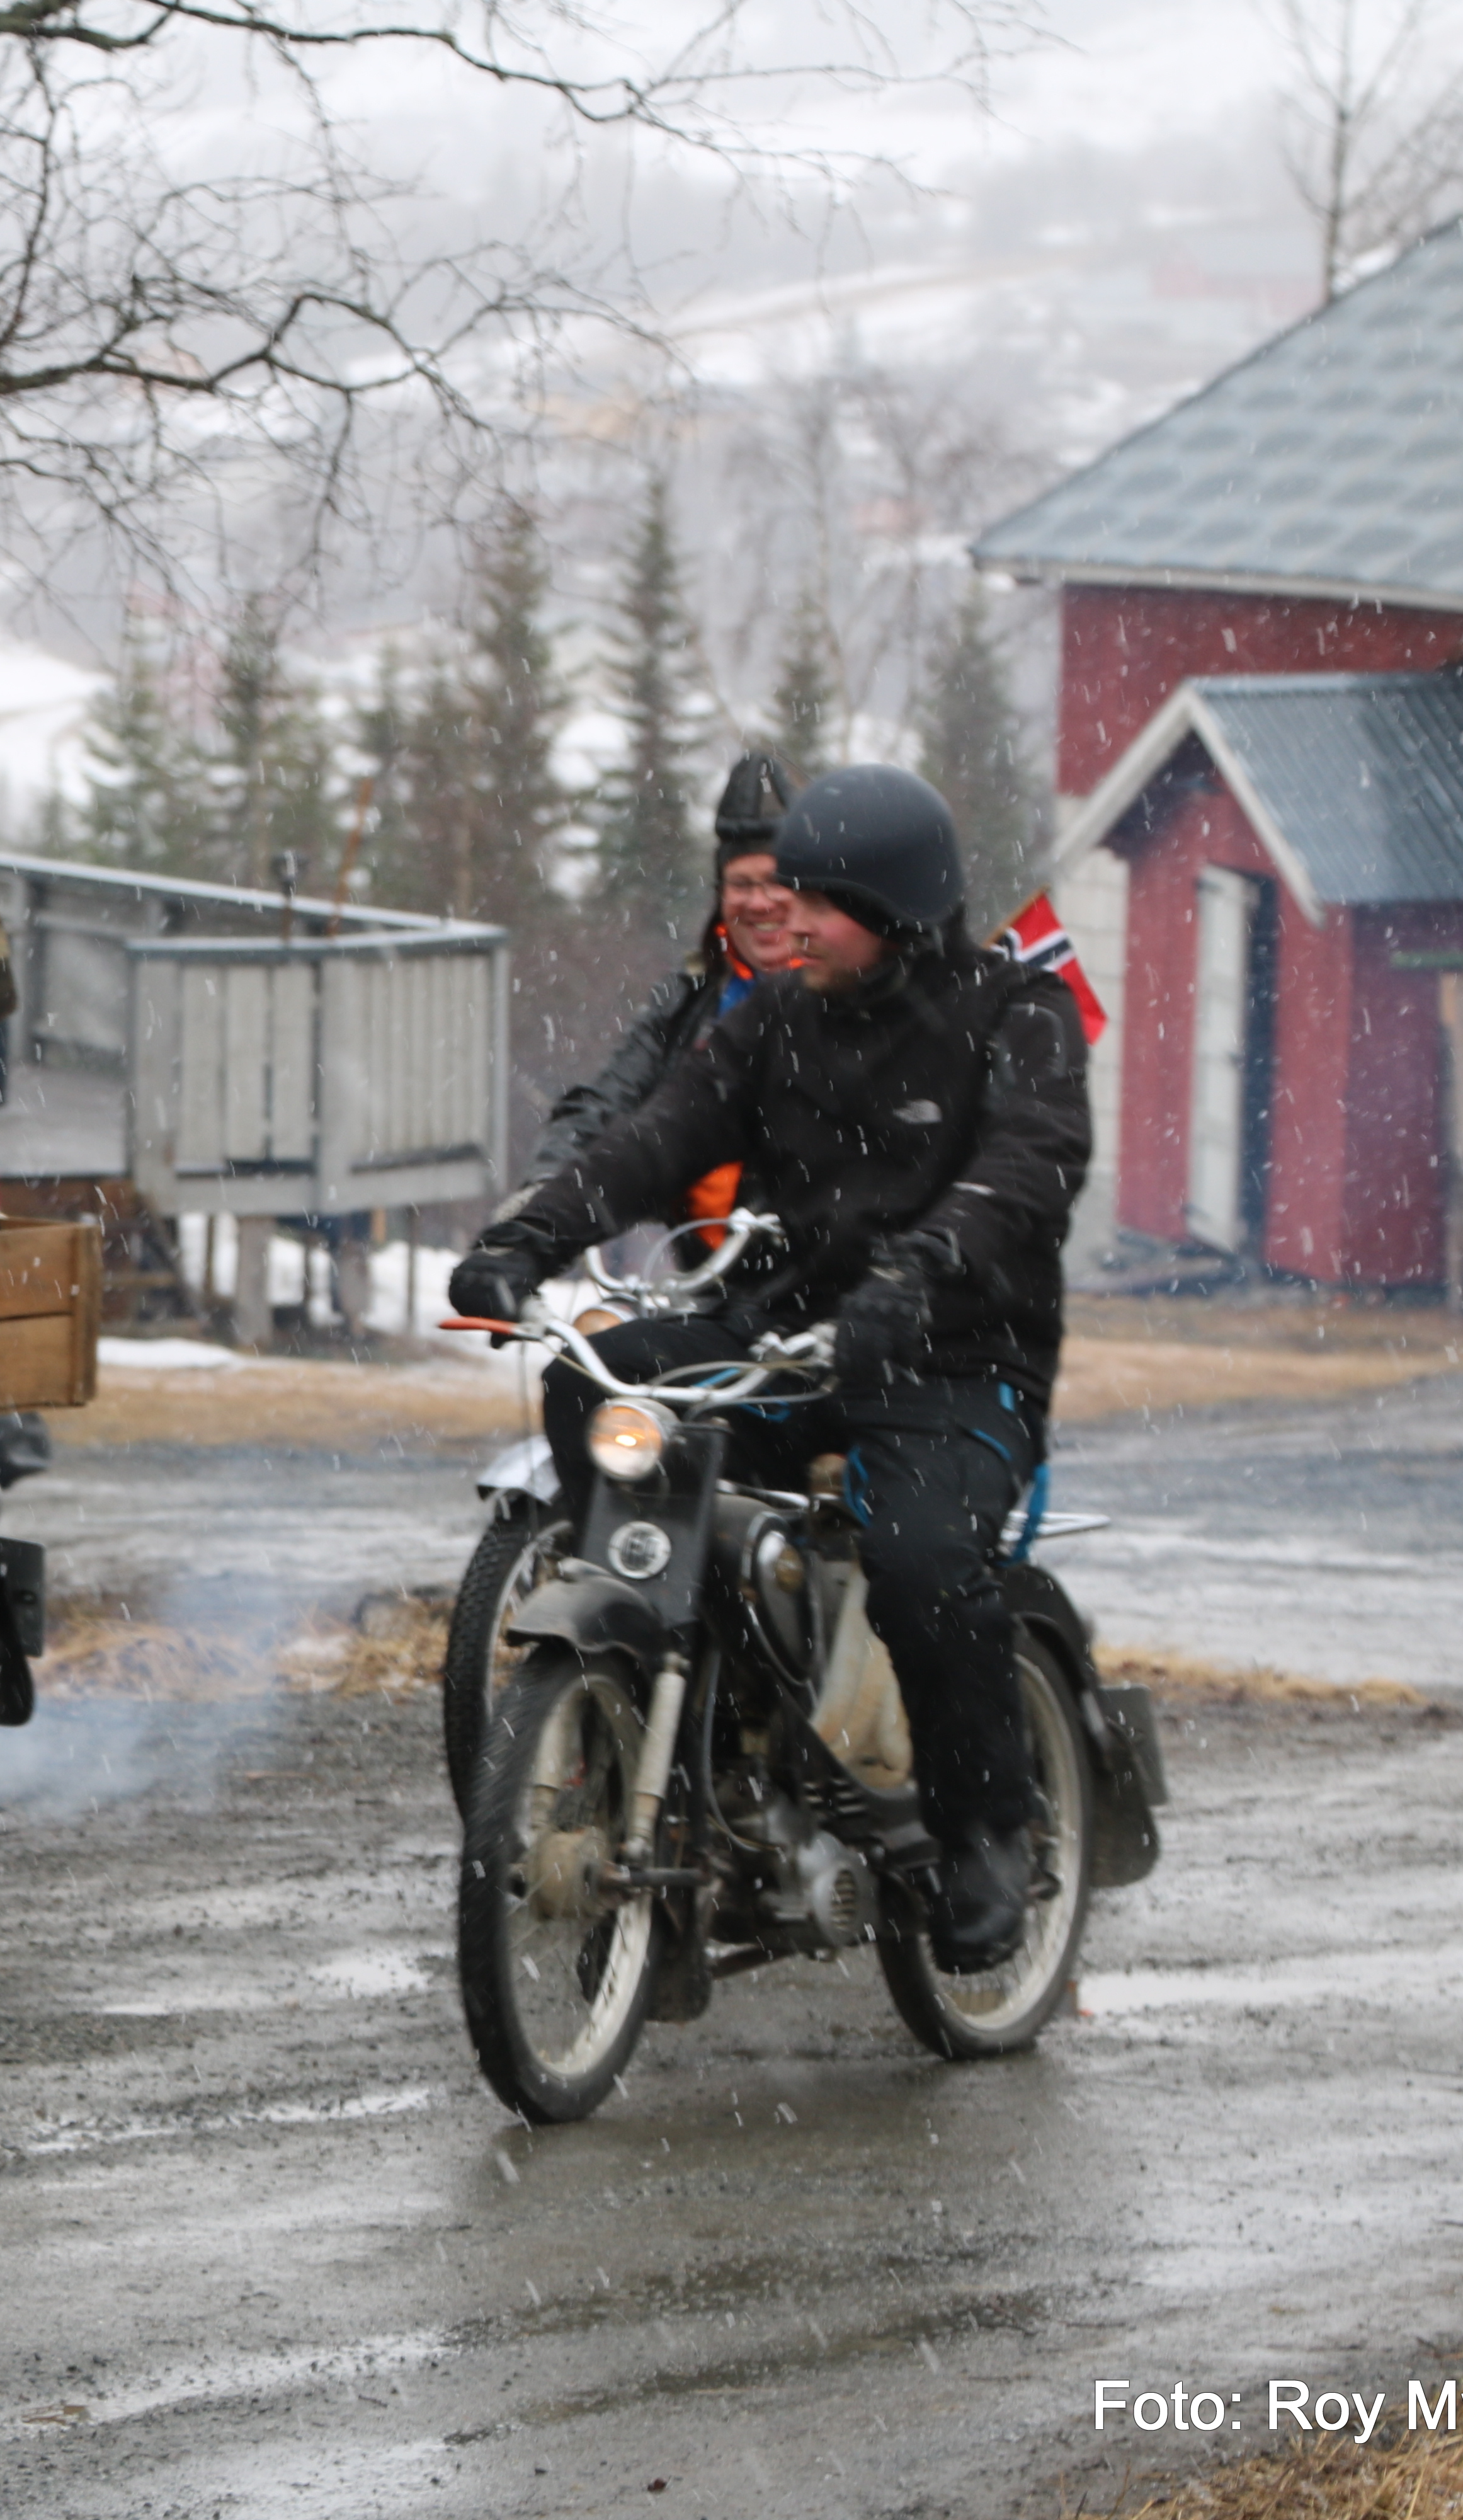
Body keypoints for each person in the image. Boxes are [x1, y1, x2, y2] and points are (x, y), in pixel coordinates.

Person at [448, 763, 1091, 1974]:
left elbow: (1026, 1171)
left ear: (895, 911)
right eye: (780, 894)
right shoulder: (777, 1021)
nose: (782, 920)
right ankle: (660, 1733)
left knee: (922, 1559)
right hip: (786, 1341)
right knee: (600, 1386)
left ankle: (984, 1829)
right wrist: (528, 1236)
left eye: (816, 901)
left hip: (958, 1363)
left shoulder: (1020, 1018)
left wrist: (915, 1279)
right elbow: (657, 1136)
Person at [512, 753, 800, 1225]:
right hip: (702, 1273)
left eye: (776, 883)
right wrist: (545, 1190)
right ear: (720, 895)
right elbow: (609, 1100)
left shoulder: (846, 993)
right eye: (741, 885)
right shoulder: (692, 998)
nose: (760, 903)